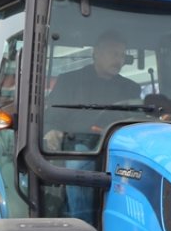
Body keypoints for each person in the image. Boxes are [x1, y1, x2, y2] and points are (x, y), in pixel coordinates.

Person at [43, 31, 140, 221]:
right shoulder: (70, 81)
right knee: (81, 171)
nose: (118, 60)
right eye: (113, 54)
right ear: (97, 53)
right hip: (81, 146)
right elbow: (52, 116)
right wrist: (52, 130)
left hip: (120, 148)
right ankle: (83, 226)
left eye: (121, 55)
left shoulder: (131, 88)